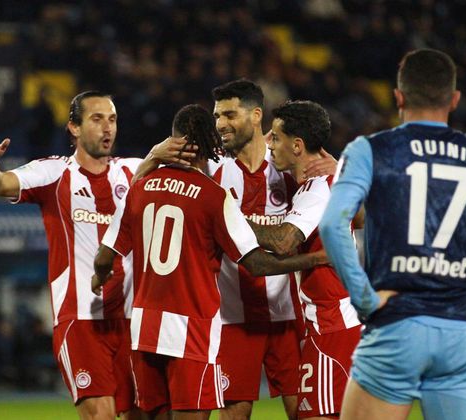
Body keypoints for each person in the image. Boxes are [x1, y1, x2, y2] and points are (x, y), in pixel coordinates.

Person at [319, 48, 466, 420]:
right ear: (454, 100)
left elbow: (332, 224)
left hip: (396, 326)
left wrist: (363, 298)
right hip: (459, 333)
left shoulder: (370, 151)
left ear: (398, 97)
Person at [92, 104, 328, 420]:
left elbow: (103, 258)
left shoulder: (139, 188)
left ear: (173, 142)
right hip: (191, 330)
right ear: (208, 146)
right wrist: (315, 258)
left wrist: (98, 277)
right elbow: (258, 265)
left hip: (144, 328)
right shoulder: (213, 196)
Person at [0, 90, 195, 420]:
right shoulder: (54, 172)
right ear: (74, 128)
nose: (107, 128)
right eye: (97, 119)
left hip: (133, 319)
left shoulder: (133, 170)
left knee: (146, 415)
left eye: (112, 120)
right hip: (80, 319)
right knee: (100, 413)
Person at [249, 99, 362, 419]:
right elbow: (361, 218)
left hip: (331, 325)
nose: (269, 144)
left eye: (275, 137)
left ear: (297, 145)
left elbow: (283, 241)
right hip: (331, 323)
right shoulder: (325, 183)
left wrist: (228, 217)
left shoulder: (317, 190)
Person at [209, 79, 305, 419]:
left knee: (305, 411)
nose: (221, 124)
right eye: (217, 116)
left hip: (288, 316)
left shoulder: (289, 168)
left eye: (229, 114)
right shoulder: (211, 171)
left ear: (255, 115)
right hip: (232, 318)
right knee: (235, 413)